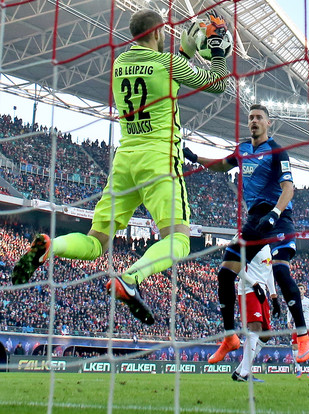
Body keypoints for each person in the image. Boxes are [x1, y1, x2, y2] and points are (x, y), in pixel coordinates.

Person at [10, 9, 230, 324]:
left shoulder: (120, 64)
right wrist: (217, 51)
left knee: (96, 242)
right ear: (157, 33)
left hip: (125, 160)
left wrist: (186, 51)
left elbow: (162, 81)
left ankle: (51, 245)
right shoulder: (167, 63)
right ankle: (131, 277)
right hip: (159, 159)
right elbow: (216, 84)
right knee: (179, 239)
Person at [185, 104, 309, 364]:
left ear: (269, 124)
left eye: (259, 118)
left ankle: (303, 336)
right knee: (225, 273)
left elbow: (288, 188)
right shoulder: (242, 149)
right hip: (255, 220)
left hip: (278, 218)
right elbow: (222, 165)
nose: (254, 121)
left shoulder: (278, 152)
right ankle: (230, 337)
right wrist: (196, 158)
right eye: (251, 118)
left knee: (280, 270)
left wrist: (275, 214)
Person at [232, 245, 279, 383]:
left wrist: (274, 295)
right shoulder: (249, 240)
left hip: (261, 291)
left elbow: (268, 271)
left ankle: (240, 371)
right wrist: (254, 284)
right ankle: (245, 373)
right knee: (255, 329)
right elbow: (236, 268)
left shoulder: (268, 247)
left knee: (266, 334)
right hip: (248, 289)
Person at [288, 283, 309, 378]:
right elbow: (289, 312)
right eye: (298, 288)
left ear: (304, 290)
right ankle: (299, 370)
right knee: (294, 349)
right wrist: (288, 321)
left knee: (308, 350)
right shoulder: (293, 301)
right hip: (296, 328)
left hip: (307, 328)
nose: (300, 290)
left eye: (301, 288)